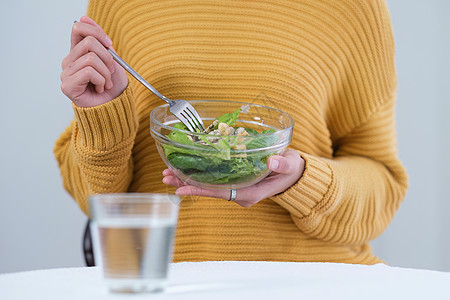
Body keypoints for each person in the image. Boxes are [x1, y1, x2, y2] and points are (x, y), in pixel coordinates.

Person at [55, 0, 408, 264]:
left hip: (312, 280)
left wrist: (302, 178)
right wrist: (100, 113)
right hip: (162, 279)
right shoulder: (123, 6)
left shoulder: (354, 9)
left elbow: (383, 189)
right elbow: (96, 200)